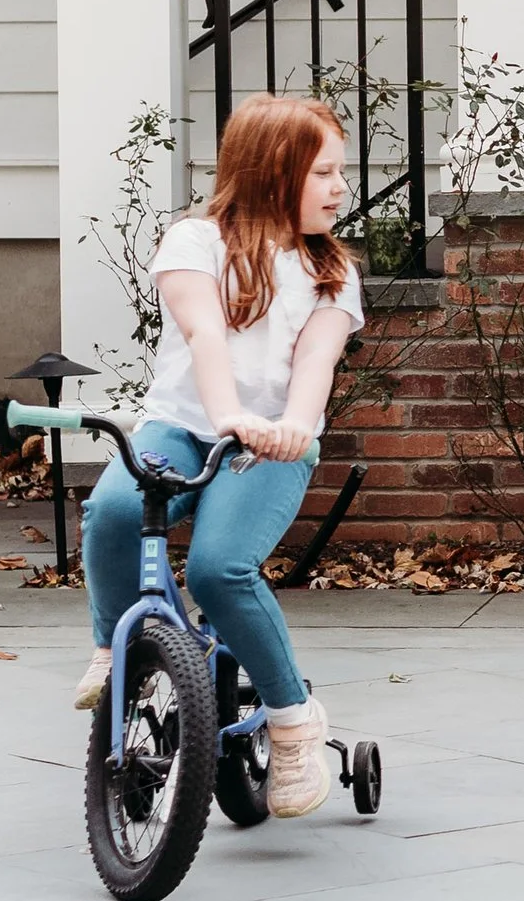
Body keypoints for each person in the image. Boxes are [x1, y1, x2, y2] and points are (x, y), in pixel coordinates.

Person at [74, 92, 364, 817]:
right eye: (324, 173)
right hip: (182, 424)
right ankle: (115, 652)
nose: (340, 189)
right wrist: (225, 412)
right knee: (111, 510)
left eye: (340, 173)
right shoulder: (195, 242)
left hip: (270, 443)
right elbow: (204, 333)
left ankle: (294, 721)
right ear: (273, 172)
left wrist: (293, 425)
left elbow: (316, 364)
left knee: (218, 568)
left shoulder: (331, 272)